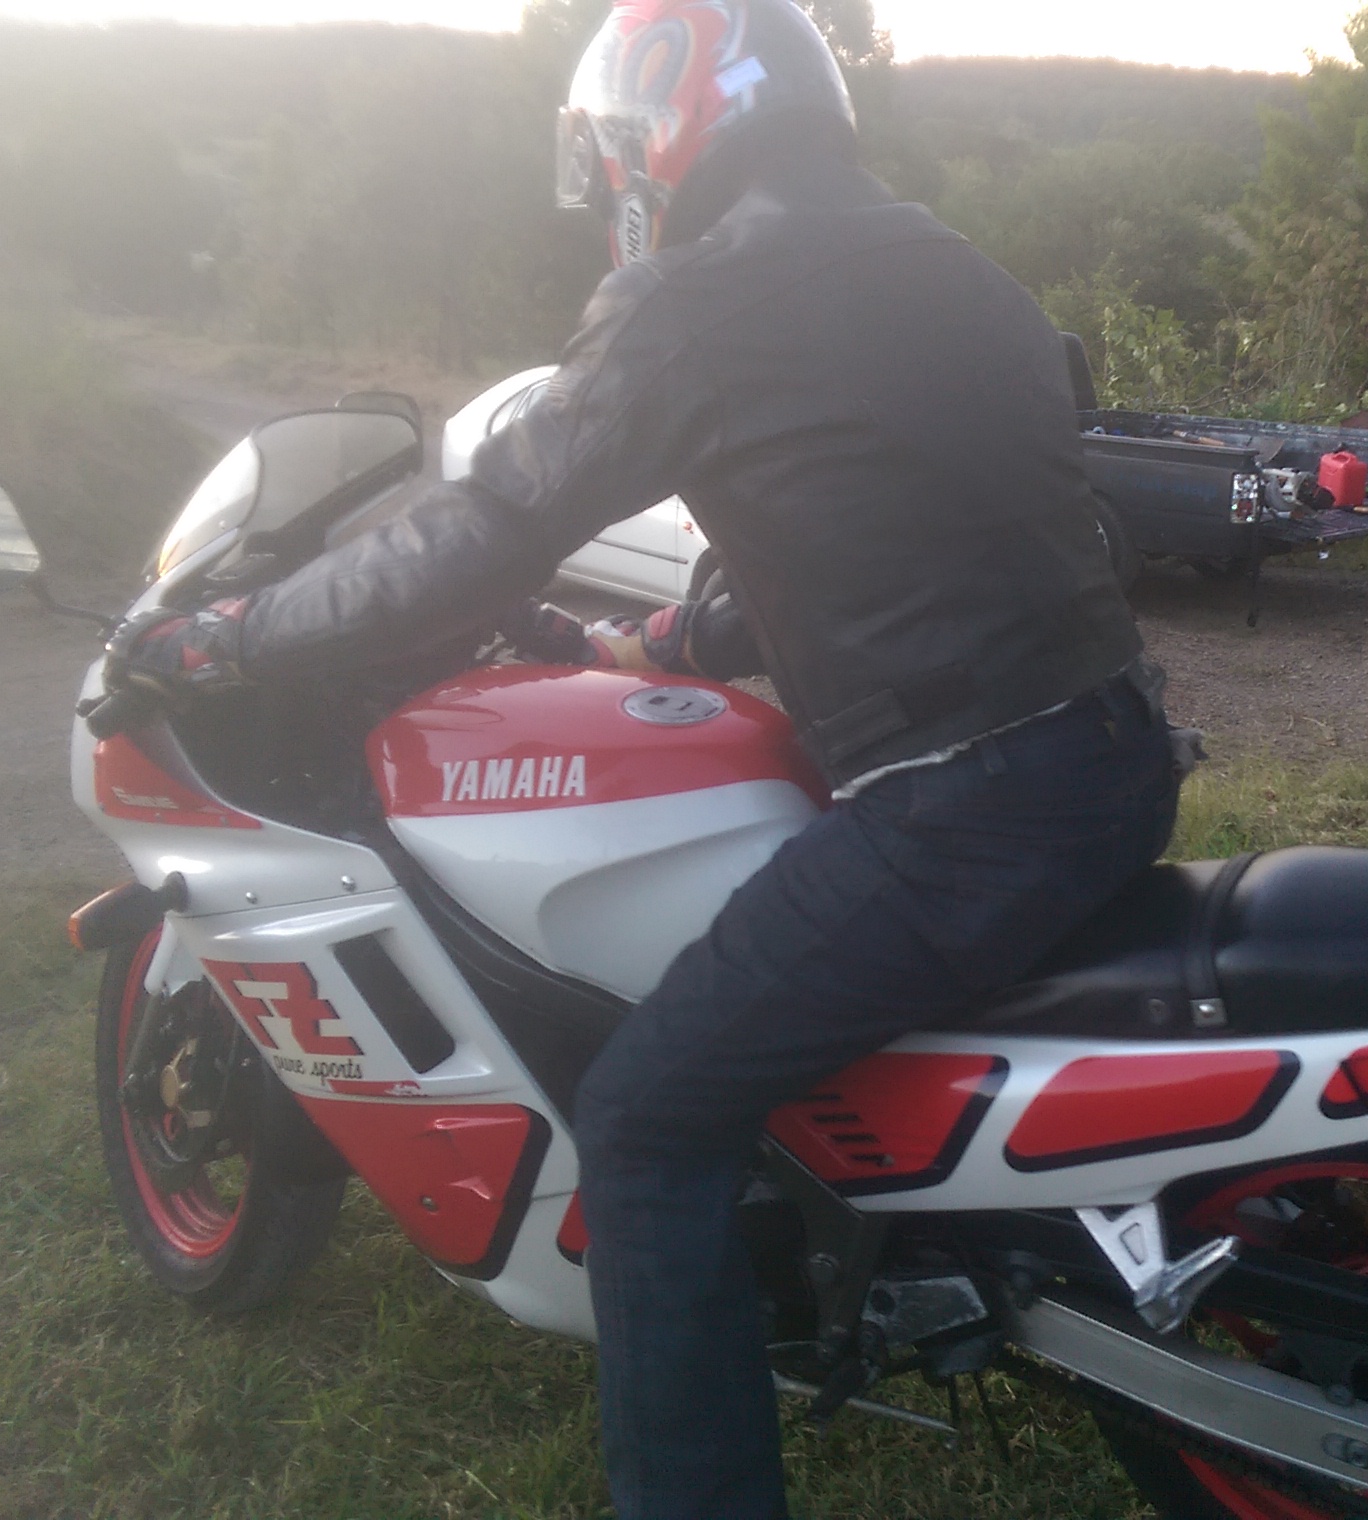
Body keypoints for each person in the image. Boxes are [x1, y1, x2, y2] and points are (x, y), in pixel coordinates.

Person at [119, 3, 1180, 1513]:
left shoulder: (697, 297)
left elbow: (490, 528)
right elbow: (883, 518)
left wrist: (240, 633)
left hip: (960, 813)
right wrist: (668, 645)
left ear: (656, 133)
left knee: (646, 1115)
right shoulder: (951, 265)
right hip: (1112, 753)